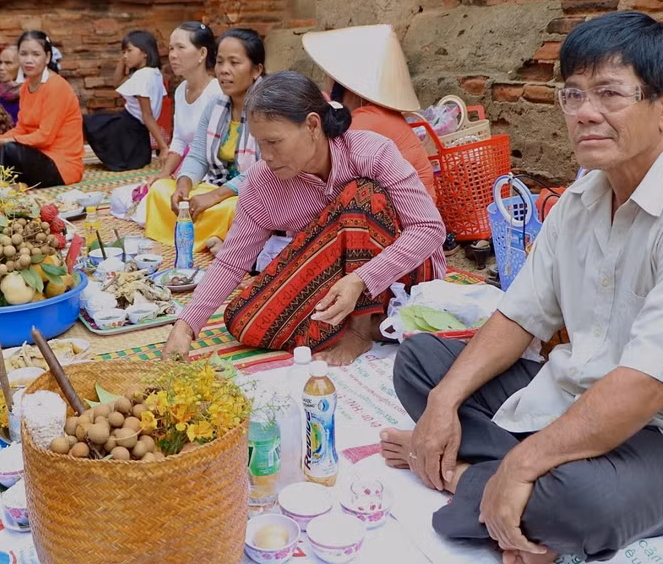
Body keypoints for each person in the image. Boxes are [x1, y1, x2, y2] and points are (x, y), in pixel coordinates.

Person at [379, 11, 663, 563]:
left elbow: (645, 387)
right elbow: (520, 316)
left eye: (610, 94)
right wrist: (444, 401)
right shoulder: (583, 197)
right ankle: (519, 486)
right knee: (421, 362)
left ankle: (485, 478)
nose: (586, 113)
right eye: (573, 95)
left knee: (583, 501)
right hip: (573, 393)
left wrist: (520, 465)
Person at [162, 71, 447, 367]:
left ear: (312, 125)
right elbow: (232, 262)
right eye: (260, 144)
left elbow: (428, 229)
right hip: (338, 280)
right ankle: (378, 324)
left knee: (361, 195)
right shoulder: (262, 183)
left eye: (275, 142)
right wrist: (186, 325)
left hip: (404, 274)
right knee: (244, 320)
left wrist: (361, 279)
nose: (267, 156)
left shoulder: (369, 152)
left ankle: (361, 331)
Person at [144, 28, 265, 253]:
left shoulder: (268, 108)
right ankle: (214, 236)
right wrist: (183, 185)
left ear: (256, 70)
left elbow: (265, 168)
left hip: (249, 192)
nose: (224, 71)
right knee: (160, 189)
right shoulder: (216, 105)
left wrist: (215, 196)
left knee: (235, 208)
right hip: (214, 185)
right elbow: (198, 153)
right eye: (220, 62)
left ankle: (228, 241)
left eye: (234, 63)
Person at [303, 24, 437, 201]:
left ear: (341, 85)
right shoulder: (377, 115)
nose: (325, 83)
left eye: (328, 77)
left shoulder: (365, 122)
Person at [133, 23, 223, 227]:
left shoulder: (217, 93)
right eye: (171, 48)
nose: (173, 55)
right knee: (149, 192)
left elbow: (213, 153)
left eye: (180, 48)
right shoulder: (181, 90)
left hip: (209, 175)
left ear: (201, 53)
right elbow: (179, 141)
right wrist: (163, 176)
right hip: (185, 172)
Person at [0, 31, 83, 187]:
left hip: (62, 166)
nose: (28, 60)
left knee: (9, 149)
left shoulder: (56, 87)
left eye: (36, 54)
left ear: (48, 57)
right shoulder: (26, 87)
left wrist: (3, 142)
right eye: (23, 54)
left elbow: (45, 137)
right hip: (37, 157)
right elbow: (22, 128)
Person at [83, 29, 167, 171]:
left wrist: (164, 147)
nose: (125, 56)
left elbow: (147, 116)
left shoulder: (142, 76)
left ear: (145, 52)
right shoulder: (152, 72)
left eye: (129, 51)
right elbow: (117, 83)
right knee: (98, 121)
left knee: (85, 122)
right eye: (123, 52)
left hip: (127, 129)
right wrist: (123, 62)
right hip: (138, 137)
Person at [0, 45, 20, 123]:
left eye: (8, 63)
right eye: (0, 62)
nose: (1, 67)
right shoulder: (1, 88)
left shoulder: (31, 91)